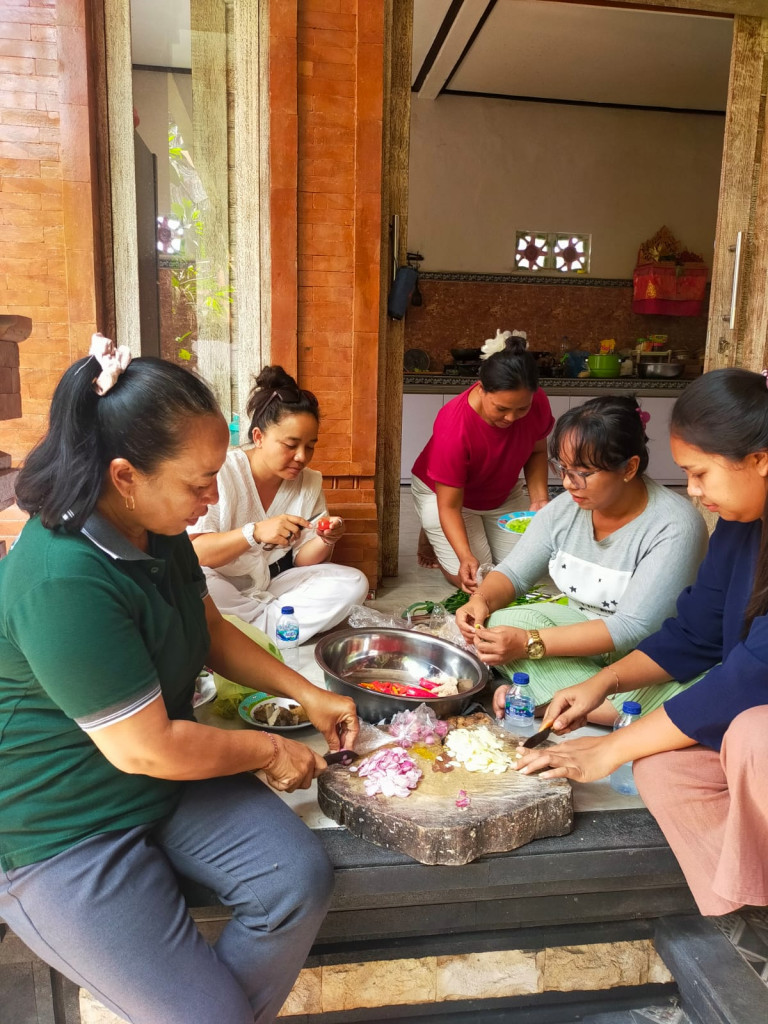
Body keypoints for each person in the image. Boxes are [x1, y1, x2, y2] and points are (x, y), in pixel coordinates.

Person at [0, 336, 360, 1024]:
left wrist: (308, 693)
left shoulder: (155, 527)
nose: (211, 497)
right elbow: (149, 748)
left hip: (160, 783)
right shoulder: (63, 576)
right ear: (125, 474)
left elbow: (212, 632)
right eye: (199, 484)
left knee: (296, 880)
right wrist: (268, 748)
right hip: (60, 823)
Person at [516, 368, 768, 917]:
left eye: (699, 473)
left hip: (757, 720)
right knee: (662, 768)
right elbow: (696, 632)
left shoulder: (677, 523)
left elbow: (751, 673)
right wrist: (600, 682)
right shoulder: (742, 525)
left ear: (759, 460)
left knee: (753, 735)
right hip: (744, 700)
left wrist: (611, 749)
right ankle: (747, 920)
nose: (693, 492)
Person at [455, 395, 709, 723]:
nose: (567, 483)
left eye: (583, 473)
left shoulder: (674, 525)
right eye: (561, 468)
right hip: (580, 634)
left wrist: (529, 644)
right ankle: (576, 701)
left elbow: (633, 627)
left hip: (645, 654)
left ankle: (544, 699)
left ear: (629, 468)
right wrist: (480, 599)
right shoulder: (565, 509)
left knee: (696, 688)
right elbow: (515, 574)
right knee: (499, 627)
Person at [189, 366, 368, 641]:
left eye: (310, 446)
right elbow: (195, 552)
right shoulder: (224, 471)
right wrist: (255, 533)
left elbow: (303, 559)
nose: (301, 457)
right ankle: (277, 631)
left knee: (354, 582)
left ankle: (250, 634)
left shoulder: (308, 482)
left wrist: (326, 539)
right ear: (259, 437)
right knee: (190, 581)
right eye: (290, 444)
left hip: (271, 588)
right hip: (221, 586)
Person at [411, 331, 554, 592]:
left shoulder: (537, 402)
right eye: (501, 409)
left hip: (502, 492)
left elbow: (536, 452)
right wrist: (465, 556)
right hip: (449, 497)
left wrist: (539, 499)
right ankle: (432, 531)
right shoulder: (454, 425)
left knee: (521, 573)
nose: (511, 418)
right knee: (480, 580)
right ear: (481, 388)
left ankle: (443, 533)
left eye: (521, 409)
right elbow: (450, 507)